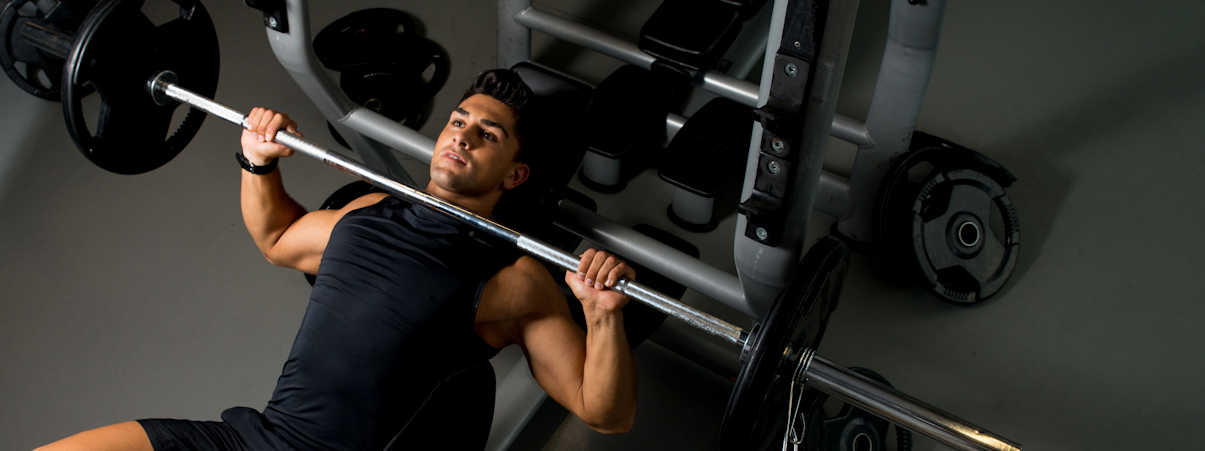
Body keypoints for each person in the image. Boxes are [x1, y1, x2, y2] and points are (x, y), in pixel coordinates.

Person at [38, 69, 638, 450]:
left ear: (516, 173)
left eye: (488, 134)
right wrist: (257, 161)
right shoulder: (372, 209)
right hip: (251, 440)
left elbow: (603, 413)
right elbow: (278, 238)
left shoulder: (515, 278)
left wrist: (603, 314)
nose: (461, 136)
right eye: (458, 122)